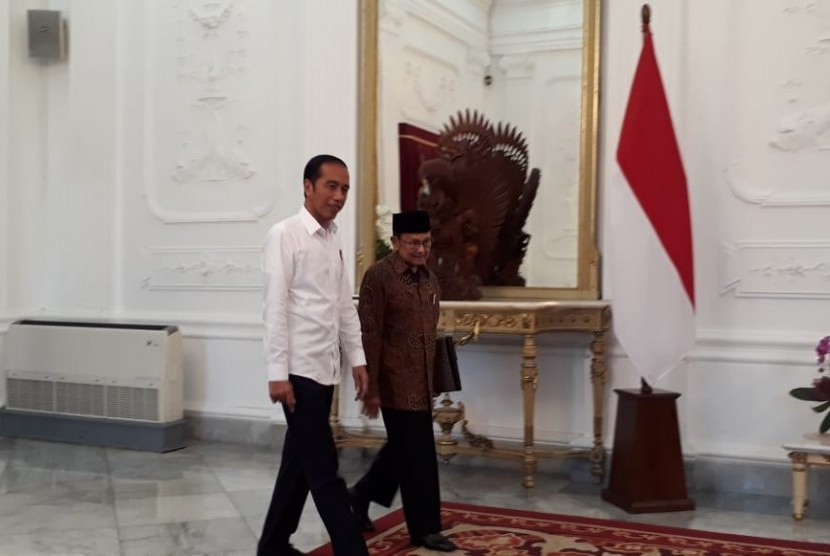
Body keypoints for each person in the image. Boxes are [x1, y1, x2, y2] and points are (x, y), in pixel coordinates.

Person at [259, 154, 370, 556]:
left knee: (298, 465)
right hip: (297, 370)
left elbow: (342, 305)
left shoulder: (333, 238)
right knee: (324, 471)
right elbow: (275, 307)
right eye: (331, 186)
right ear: (307, 186)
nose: (339, 196)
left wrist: (356, 357)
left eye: (344, 189)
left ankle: (272, 546)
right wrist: (277, 372)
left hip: (325, 369)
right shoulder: (284, 234)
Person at [349, 210, 458, 553]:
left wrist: (436, 376)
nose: (420, 249)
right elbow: (370, 332)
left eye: (425, 242)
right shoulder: (378, 277)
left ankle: (359, 496)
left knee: (404, 449)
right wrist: (371, 386)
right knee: (418, 455)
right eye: (412, 242)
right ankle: (426, 529)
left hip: (422, 383)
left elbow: (431, 332)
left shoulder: (430, 279)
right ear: (395, 242)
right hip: (394, 382)